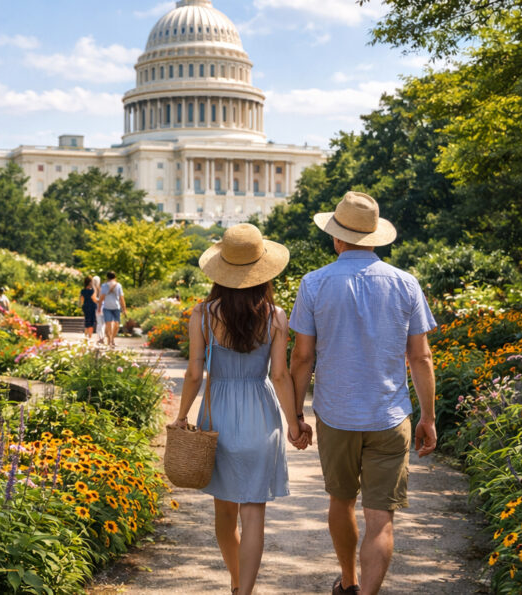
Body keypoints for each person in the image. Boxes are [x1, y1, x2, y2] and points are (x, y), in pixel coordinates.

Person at [288, 192, 438, 595]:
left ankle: (349, 581)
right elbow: (420, 357)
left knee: (341, 501)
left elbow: (302, 358)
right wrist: (428, 417)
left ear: (337, 239)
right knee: (381, 517)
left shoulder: (314, 283)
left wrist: (296, 415)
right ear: (375, 239)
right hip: (390, 416)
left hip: (336, 414)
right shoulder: (406, 283)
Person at [169, 224, 309, 595]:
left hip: (219, 418)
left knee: (225, 513)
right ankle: (245, 590)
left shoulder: (202, 314)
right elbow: (279, 375)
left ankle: (234, 580)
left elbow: (195, 372)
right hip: (261, 418)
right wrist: (294, 421)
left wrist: (182, 415)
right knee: (254, 513)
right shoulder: (276, 316)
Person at [98, 272, 126, 347]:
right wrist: (124, 309)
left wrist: (124, 308)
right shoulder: (104, 286)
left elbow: (121, 298)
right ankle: (110, 340)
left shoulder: (118, 285)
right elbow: (121, 298)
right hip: (108, 308)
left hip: (115, 307)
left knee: (114, 324)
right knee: (111, 324)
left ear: (107, 277)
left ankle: (112, 339)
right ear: (115, 277)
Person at [79, 277, 98, 343]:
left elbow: (82, 299)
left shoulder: (82, 290)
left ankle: (85, 336)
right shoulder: (92, 290)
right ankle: (90, 337)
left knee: (87, 321)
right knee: (91, 322)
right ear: (90, 282)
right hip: (92, 306)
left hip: (85, 306)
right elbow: (94, 299)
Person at [91, 275, 105, 344]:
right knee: (103, 323)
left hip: (97, 307)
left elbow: (93, 298)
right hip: (103, 306)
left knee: (99, 323)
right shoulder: (101, 288)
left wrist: (98, 301)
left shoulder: (93, 289)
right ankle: (101, 337)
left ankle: (100, 337)